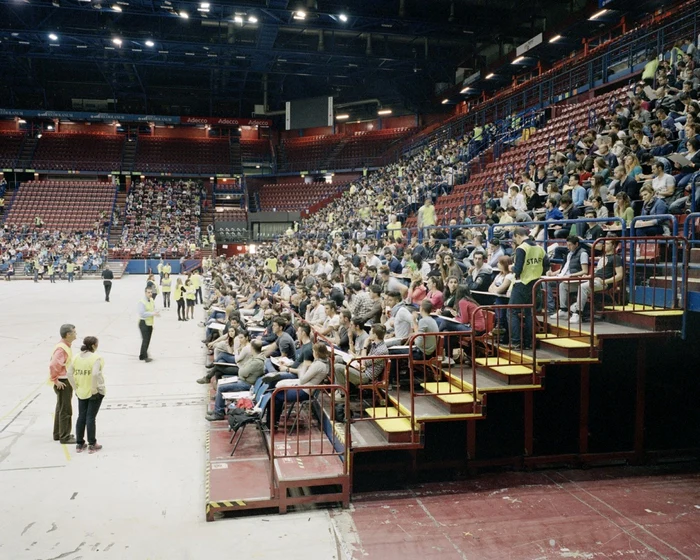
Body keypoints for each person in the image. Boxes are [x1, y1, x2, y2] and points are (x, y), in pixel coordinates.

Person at [271, 343, 330, 427]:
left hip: (304, 391)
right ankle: (273, 422)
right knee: (277, 391)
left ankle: (272, 423)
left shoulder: (318, 365)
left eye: (313, 351)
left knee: (276, 395)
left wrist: (304, 367)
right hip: (305, 387)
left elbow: (302, 380)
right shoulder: (321, 363)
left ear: (316, 353)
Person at [206, 339, 266, 421]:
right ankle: (219, 409)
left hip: (247, 384)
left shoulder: (257, 362)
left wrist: (242, 371)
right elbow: (242, 370)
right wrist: (242, 371)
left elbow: (242, 372)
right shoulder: (256, 358)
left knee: (221, 388)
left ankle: (219, 413)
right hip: (244, 380)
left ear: (252, 348)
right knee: (220, 383)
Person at [509, 227, 549, 349]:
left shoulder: (521, 248)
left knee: (512, 312)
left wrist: (512, 268)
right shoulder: (540, 248)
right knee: (529, 313)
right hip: (535, 284)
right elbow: (546, 266)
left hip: (522, 283)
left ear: (517, 236)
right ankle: (529, 342)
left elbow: (518, 269)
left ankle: (516, 342)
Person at [67, 336, 106, 454]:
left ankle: (79, 443)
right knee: (90, 418)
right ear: (94, 346)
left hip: (81, 391)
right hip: (93, 392)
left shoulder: (76, 358)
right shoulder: (96, 358)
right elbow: (94, 374)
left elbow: (69, 374)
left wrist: (75, 388)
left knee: (81, 416)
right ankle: (92, 443)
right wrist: (94, 389)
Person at [50, 324, 77, 444]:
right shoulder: (62, 348)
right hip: (63, 382)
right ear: (68, 335)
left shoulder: (64, 346)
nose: (76, 335)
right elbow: (53, 364)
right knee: (65, 410)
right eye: (74, 333)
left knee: (60, 408)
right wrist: (55, 379)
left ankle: (58, 433)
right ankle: (65, 436)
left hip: (62, 380)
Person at [137, 287, 160, 362]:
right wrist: (153, 313)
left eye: (151, 292)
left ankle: (142, 355)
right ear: (145, 292)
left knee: (147, 340)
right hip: (144, 323)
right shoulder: (142, 302)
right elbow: (142, 313)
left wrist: (156, 312)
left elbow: (152, 308)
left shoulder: (151, 300)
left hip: (150, 323)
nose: (150, 294)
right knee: (145, 340)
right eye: (148, 292)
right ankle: (145, 357)